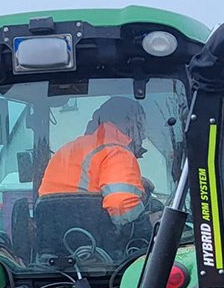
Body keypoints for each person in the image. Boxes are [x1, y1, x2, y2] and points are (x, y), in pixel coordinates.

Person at [39, 96, 147, 224]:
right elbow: (122, 207)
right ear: (127, 121)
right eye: (139, 126)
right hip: (92, 233)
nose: (143, 136)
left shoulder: (66, 151)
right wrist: (147, 223)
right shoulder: (117, 152)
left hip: (53, 233)